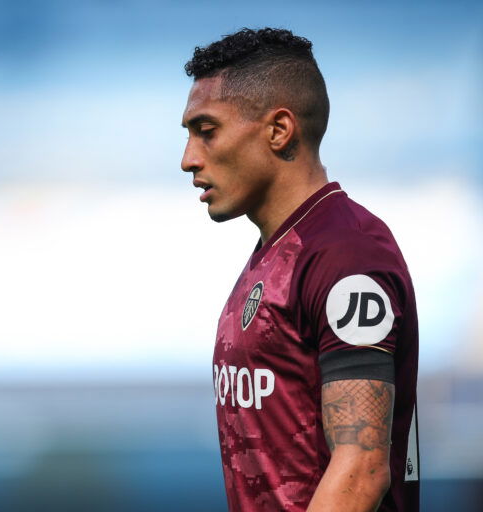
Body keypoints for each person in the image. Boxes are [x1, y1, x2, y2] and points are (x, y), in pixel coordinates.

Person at [180, 28, 419, 511]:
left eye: (207, 131)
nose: (188, 159)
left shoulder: (346, 255)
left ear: (279, 130)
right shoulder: (277, 254)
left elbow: (361, 470)